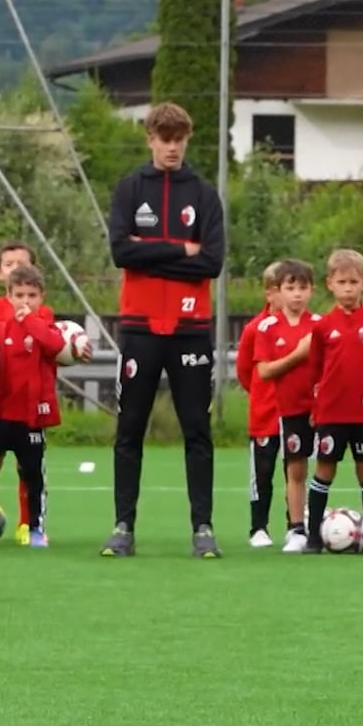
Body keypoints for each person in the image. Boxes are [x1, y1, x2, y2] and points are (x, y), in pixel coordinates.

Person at [101, 101, 227, 559]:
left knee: (197, 429)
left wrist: (148, 248)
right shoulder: (130, 189)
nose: (172, 147)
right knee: (129, 428)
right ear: (150, 139)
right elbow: (120, 252)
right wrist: (180, 249)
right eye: (164, 139)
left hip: (191, 328)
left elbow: (211, 261)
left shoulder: (204, 194)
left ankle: (203, 528)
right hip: (139, 329)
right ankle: (122, 526)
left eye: (179, 139)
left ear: (186, 140)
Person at [303, 249, 363, 552]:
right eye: (342, 282)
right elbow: (314, 369)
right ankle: (313, 536)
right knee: (325, 468)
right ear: (330, 284)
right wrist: (316, 406)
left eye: (354, 282)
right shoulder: (323, 326)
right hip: (331, 412)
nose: (348, 288)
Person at [0, 263, 65, 547]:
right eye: (19, 295)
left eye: (32, 295)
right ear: (9, 296)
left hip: (31, 418)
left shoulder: (45, 329)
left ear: (42, 297)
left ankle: (33, 527)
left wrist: (31, 322)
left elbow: (54, 345)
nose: (25, 301)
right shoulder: (0, 331)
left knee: (32, 473)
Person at [252, 259, 320, 553]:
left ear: (312, 291)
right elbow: (263, 371)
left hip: (318, 410)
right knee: (293, 468)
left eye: (302, 288)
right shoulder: (266, 327)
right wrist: (298, 354)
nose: (297, 294)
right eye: (290, 288)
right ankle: (295, 529)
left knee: (320, 469)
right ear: (277, 291)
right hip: (287, 411)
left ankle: (314, 526)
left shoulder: (319, 325)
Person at [234, 263, 284, 547]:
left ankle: (297, 525)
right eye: (283, 289)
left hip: (297, 414)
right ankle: (258, 527)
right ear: (269, 293)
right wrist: (260, 395)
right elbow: (244, 371)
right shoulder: (254, 329)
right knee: (262, 473)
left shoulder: (307, 327)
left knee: (296, 469)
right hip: (264, 415)